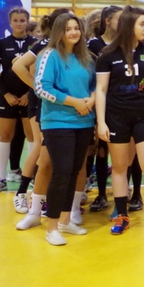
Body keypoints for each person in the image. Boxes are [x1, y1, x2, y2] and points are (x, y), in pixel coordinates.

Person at [96, 5, 144, 235]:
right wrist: (101, 122)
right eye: (142, 24)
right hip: (116, 116)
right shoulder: (108, 54)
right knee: (120, 167)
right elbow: (101, 90)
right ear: (129, 25)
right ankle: (121, 215)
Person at [34, 13, 96, 245]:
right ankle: (51, 228)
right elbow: (42, 88)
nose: (73, 32)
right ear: (58, 32)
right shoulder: (49, 55)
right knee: (61, 171)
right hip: (58, 123)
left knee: (73, 171)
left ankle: (65, 221)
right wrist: (74, 102)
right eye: (68, 28)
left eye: (76, 28)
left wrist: (91, 100)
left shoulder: (86, 58)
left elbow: (95, 86)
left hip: (84, 122)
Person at [11, 8, 72, 228]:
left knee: (55, 157)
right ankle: (23, 195)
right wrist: (37, 88)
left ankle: (54, 204)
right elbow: (18, 66)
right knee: (41, 151)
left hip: (65, 106)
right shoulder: (45, 44)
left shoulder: (74, 47)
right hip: (42, 103)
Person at [0, 7, 36, 194]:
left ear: (27, 22)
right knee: (4, 136)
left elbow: (37, 73)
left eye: (22, 20)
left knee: (32, 136)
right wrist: (6, 94)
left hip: (28, 98)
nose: (19, 23)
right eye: (15, 20)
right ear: (10, 22)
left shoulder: (34, 43)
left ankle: (32, 176)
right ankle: (1, 179)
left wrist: (28, 95)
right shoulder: (1, 44)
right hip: (6, 98)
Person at [85, 5, 122, 211]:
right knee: (98, 149)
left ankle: (127, 192)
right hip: (97, 102)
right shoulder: (93, 44)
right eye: (119, 19)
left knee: (121, 151)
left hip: (119, 103)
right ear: (108, 21)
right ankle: (100, 194)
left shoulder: (124, 42)